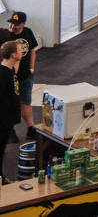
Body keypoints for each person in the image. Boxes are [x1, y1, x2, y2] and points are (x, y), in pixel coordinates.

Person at [0, 13, 38, 139]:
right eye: (11, 23)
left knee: (25, 102)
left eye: (16, 24)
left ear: (23, 24)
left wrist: (31, 68)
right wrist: (10, 73)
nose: (13, 26)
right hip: (10, 77)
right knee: (9, 104)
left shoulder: (27, 32)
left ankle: (31, 128)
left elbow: (32, 50)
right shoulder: (5, 35)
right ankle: (10, 130)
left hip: (26, 76)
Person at [0, 41, 21, 183]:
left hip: (7, 119)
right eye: (20, 50)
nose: (22, 52)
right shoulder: (3, 74)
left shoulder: (10, 70)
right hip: (3, 120)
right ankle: (1, 178)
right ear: (13, 54)